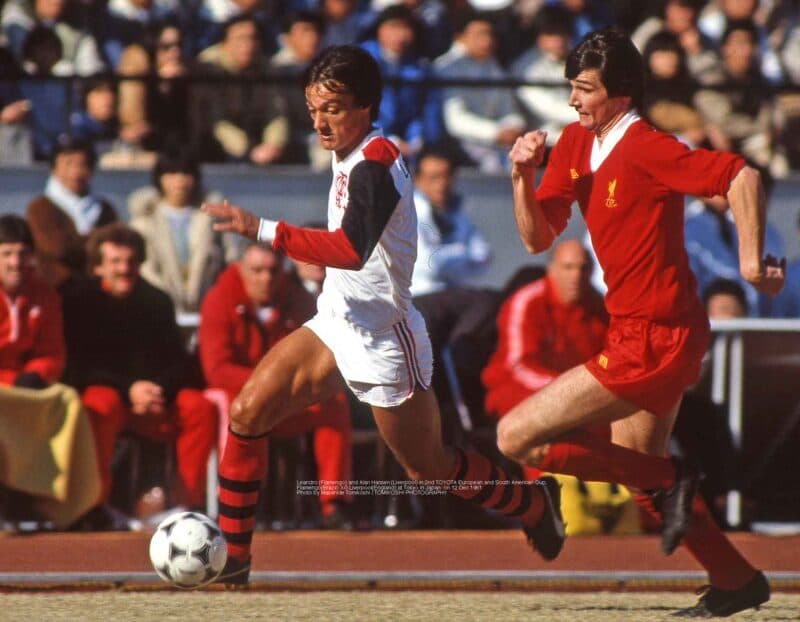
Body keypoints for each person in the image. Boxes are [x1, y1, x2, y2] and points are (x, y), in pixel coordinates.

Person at [203, 44, 565, 585]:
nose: (321, 120)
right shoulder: (346, 145)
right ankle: (232, 563)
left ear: (367, 106)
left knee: (430, 468)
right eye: (314, 106)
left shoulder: (375, 160)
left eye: (334, 107)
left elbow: (350, 249)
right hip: (337, 318)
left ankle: (534, 503)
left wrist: (260, 228)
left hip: (384, 336)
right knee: (248, 412)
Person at [502, 27, 783, 617]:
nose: (572, 100)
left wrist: (752, 264)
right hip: (638, 331)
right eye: (571, 87)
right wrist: (521, 176)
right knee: (643, 476)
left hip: (659, 336)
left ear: (621, 94)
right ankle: (736, 580)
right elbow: (536, 238)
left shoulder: (647, 144)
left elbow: (743, 177)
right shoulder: (578, 145)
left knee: (517, 436)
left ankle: (673, 478)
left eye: (583, 89)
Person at [62, 223, 217, 521]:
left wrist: (157, 389)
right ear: (97, 267)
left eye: (131, 261)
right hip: (109, 401)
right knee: (100, 402)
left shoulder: (156, 301)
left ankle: (186, 505)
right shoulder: (78, 301)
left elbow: (177, 361)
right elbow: (78, 366)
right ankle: (96, 505)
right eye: (115, 262)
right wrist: (128, 389)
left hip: (154, 402)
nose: (125, 269)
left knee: (199, 408)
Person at [199, 242, 354, 528]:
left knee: (333, 404)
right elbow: (216, 370)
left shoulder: (299, 301)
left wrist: (286, 389)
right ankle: (237, 506)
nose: (265, 278)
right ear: (240, 270)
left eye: (272, 271)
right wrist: (269, 386)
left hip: (285, 399)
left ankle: (334, 503)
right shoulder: (218, 300)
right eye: (256, 270)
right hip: (242, 397)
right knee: (232, 405)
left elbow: (318, 360)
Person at [482, 239, 606, 421]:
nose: (576, 275)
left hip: (579, 398)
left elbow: (610, 358)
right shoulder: (527, 302)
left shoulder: (601, 308)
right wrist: (571, 390)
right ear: (552, 269)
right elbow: (518, 367)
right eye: (568, 267)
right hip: (522, 393)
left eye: (583, 268)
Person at [128, 149, 239, 314]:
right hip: (156, 307)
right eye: (172, 174)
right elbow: (142, 268)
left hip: (207, 306)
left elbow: (230, 258)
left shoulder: (211, 217)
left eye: (186, 174)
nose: (179, 181)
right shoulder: (144, 220)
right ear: (159, 178)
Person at [192, 14, 289, 165]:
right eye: (240, 38)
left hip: (259, 148)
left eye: (253, 38)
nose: (248, 44)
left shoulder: (266, 68)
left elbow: (276, 113)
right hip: (217, 149)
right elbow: (215, 121)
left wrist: (272, 145)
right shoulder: (207, 68)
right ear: (224, 43)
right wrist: (248, 151)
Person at [25, 137, 117, 289]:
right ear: (54, 168)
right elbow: (57, 249)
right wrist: (96, 241)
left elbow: (115, 246)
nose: (76, 171)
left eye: (83, 165)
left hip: (99, 289)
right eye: (69, 164)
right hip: (57, 289)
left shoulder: (105, 208)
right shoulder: (40, 207)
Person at [410, 147, 491, 297]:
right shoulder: (409, 214)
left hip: (454, 295)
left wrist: (446, 257)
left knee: (490, 300)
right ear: (418, 180)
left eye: (446, 176)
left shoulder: (457, 213)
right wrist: (462, 251)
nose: (442, 184)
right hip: (419, 299)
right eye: (434, 177)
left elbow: (484, 260)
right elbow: (429, 265)